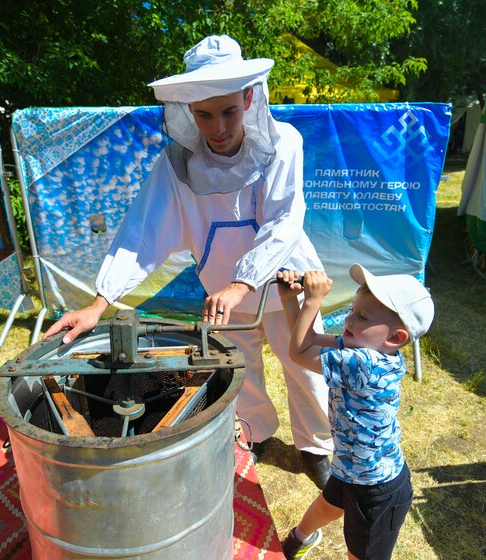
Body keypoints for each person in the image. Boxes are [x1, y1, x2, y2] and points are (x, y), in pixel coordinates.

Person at [43, 34, 334, 485]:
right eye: (204, 115)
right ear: (187, 112)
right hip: (223, 294)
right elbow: (141, 234)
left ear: (249, 97)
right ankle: (253, 433)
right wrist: (98, 304)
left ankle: (317, 446)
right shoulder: (175, 166)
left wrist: (243, 283)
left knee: (306, 367)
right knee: (239, 368)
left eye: (229, 111)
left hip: (285, 283)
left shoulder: (284, 144)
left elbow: (283, 221)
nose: (218, 127)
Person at [275, 266, 434, 559]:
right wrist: (290, 300)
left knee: (359, 553)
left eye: (362, 316)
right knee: (327, 505)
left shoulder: (364, 365)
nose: (348, 319)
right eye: (352, 310)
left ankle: (300, 539)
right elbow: (307, 341)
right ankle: (299, 540)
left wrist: (312, 302)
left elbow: (298, 353)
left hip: (375, 489)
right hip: (352, 467)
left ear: (396, 337)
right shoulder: (363, 347)